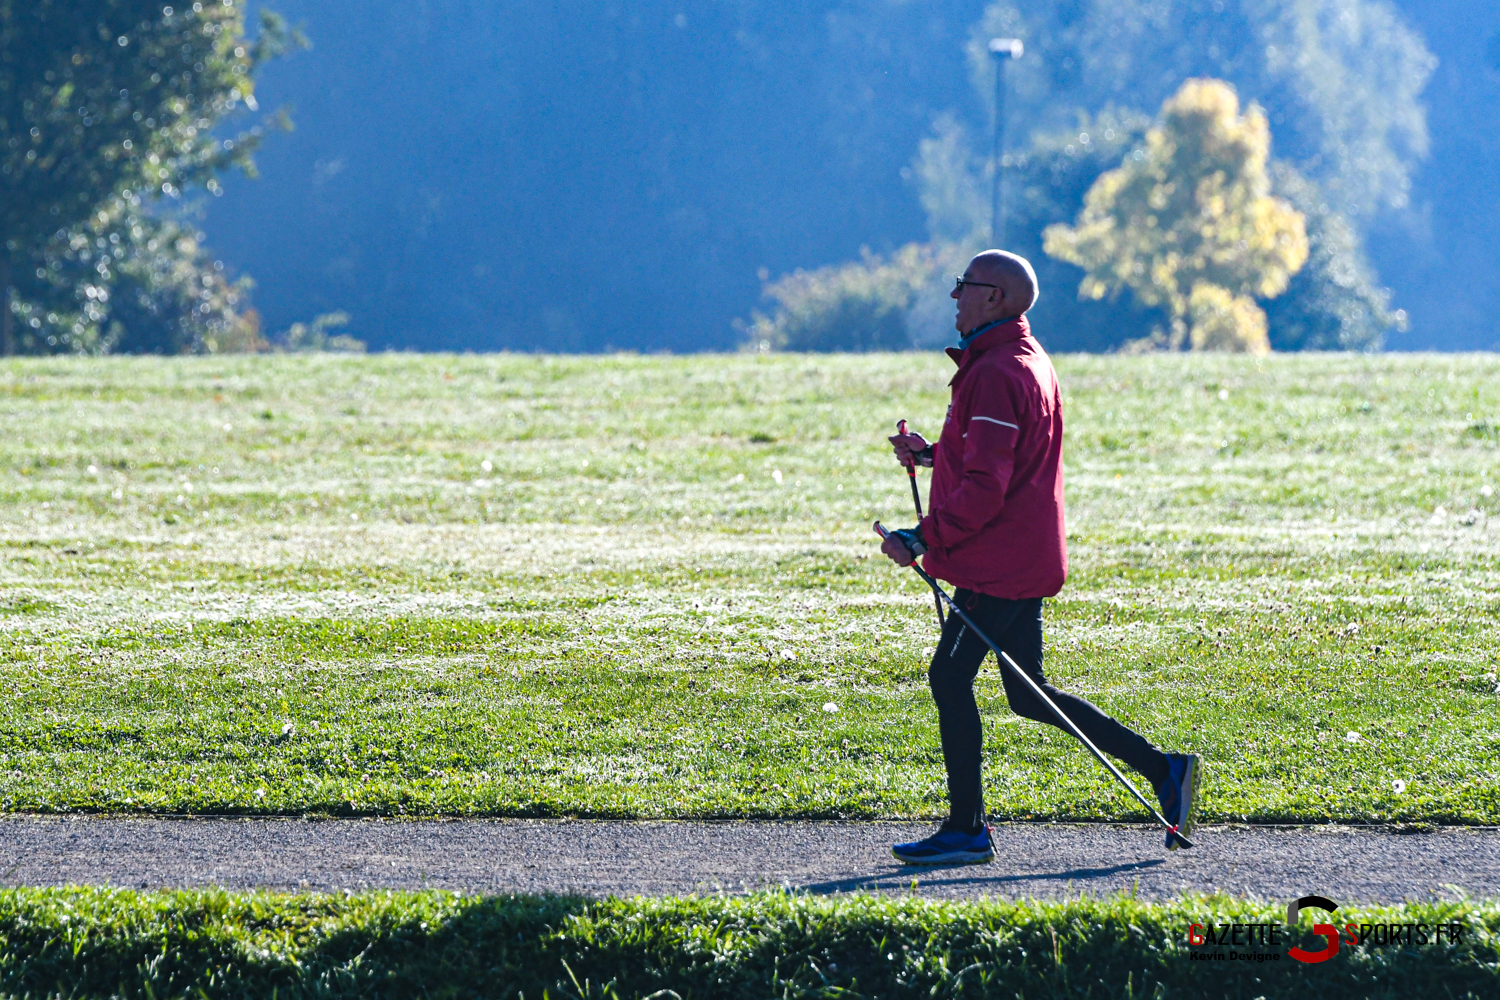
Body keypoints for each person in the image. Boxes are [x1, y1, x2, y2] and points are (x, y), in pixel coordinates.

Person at [880, 249, 1199, 865]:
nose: (954, 297)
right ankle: (1165, 771)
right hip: (1018, 555)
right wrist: (929, 457)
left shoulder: (999, 370)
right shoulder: (1017, 358)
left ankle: (966, 830)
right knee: (1029, 695)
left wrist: (922, 537)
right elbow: (989, 452)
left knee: (949, 678)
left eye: (963, 286)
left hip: (995, 562)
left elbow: (986, 486)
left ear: (994, 297)